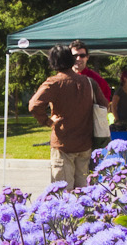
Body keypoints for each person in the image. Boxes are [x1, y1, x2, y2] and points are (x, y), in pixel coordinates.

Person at [28, 45, 95, 191]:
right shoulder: (87, 82)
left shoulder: (54, 82)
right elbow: (103, 104)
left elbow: (33, 105)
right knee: (84, 194)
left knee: (63, 194)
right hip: (85, 144)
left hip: (63, 144)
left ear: (53, 62)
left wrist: (47, 121)